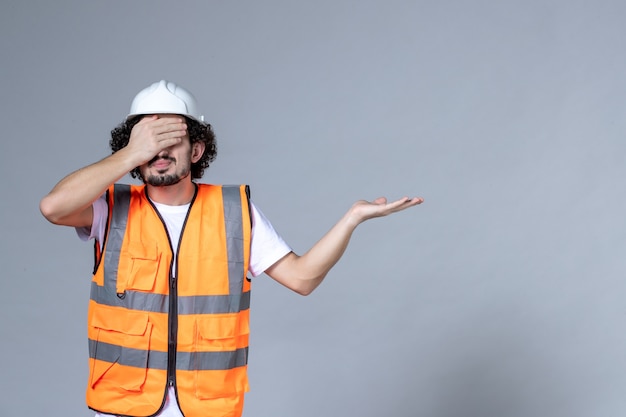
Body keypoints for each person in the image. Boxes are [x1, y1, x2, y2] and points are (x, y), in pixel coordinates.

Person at [39, 80, 423, 417]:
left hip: (208, 408)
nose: (158, 151)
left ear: (196, 150)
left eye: (170, 140)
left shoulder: (234, 212)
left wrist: (352, 218)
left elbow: (302, 278)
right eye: (147, 142)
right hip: (123, 408)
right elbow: (53, 207)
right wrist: (130, 154)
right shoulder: (109, 206)